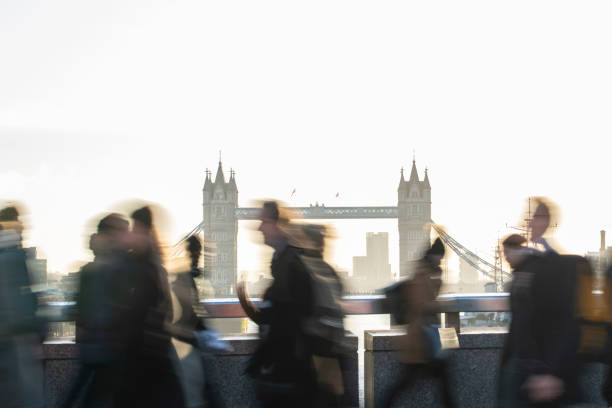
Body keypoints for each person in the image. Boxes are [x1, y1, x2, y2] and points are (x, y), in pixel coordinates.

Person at [498, 199, 580, 407]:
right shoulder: (526, 266)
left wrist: (552, 372)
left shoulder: (554, 266)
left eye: (535, 217)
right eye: (528, 218)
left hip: (538, 369)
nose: (528, 223)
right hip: (519, 364)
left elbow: (565, 320)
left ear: (547, 221)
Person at [236, 201, 315, 408]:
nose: (259, 227)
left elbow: (287, 316)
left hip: (287, 368)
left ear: (277, 223)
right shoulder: (283, 258)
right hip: (286, 366)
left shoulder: (290, 262)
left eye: (264, 221)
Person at [62, 213, 132, 408]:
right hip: (108, 345)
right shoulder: (116, 266)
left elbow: (78, 308)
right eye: (121, 231)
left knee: (85, 394)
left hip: (95, 344)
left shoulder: (91, 268)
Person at [117, 206, 184, 408]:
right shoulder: (152, 265)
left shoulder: (144, 268)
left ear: (144, 232)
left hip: (145, 356)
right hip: (150, 354)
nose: (130, 235)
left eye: (134, 230)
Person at [382, 238, 455, 408]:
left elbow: (432, 296)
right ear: (432, 255)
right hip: (420, 336)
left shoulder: (430, 273)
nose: (441, 261)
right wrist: (443, 305)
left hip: (430, 332)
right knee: (406, 381)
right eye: (440, 257)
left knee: (443, 378)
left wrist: (438, 276)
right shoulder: (421, 274)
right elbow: (421, 305)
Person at [0, 206, 45, 408]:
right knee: (27, 395)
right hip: (17, 338)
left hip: (8, 336)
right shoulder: (14, 255)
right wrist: (35, 331)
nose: (24, 227)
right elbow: (21, 299)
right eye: (20, 222)